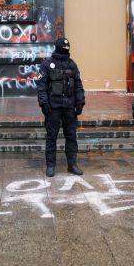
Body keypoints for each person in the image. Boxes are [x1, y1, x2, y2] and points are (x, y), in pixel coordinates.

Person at [37, 37, 86, 177]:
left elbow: (78, 85)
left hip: (69, 107)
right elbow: (41, 86)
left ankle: (72, 165)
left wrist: (80, 102)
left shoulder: (72, 65)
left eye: (67, 48)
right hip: (53, 107)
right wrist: (44, 103)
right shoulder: (47, 64)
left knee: (71, 136)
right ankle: (50, 165)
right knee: (52, 136)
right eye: (63, 48)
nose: (65, 51)